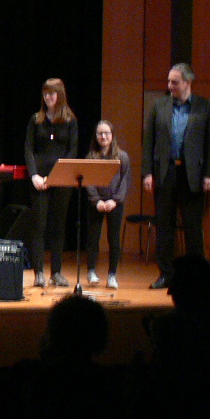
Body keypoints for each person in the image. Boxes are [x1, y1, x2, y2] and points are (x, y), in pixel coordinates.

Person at [142, 63, 210, 289]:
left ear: (188, 82)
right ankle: (166, 274)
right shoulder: (159, 106)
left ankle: (196, 276)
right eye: (168, 81)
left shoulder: (206, 107)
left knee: (193, 228)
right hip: (165, 173)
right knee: (164, 226)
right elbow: (148, 141)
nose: (169, 86)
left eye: (174, 82)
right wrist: (147, 172)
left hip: (192, 174)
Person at [23, 78, 79, 288]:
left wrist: (55, 176)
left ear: (60, 95)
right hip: (39, 180)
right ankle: (39, 272)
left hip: (61, 179)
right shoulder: (35, 119)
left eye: (52, 93)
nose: (48, 97)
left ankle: (56, 272)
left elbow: (72, 150)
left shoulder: (70, 121)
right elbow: (28, 149)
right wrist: (34, 175)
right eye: (45, 93)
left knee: (58, 225)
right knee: (39, 225)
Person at [83, 120, 130, 289]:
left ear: (112, 135)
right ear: (96, 136)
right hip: (96, 203)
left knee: (114, 239)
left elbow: (125, 180)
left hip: (114, 203)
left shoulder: (122, 156)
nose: (103, 136)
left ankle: (112, 275)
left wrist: (115, 200)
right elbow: (87, 181)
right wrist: (96, 201)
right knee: (93, 238)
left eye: (106, 133)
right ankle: (91, 272)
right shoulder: (90, 157)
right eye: (100, 133)